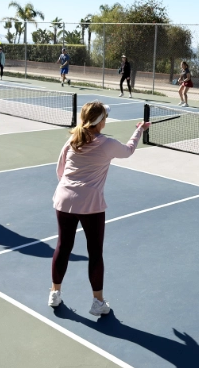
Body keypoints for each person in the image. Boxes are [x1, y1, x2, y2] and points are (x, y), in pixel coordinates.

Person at [49, 101, 150, 316]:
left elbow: (60, 170)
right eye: (105, 117)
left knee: (63, 247)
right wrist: (139, 130)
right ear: (101, 121)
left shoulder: (72, 140)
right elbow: (129, 150)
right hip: (91, 203)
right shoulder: (108, 144)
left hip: (64, 199)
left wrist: (70, 191)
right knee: (95, 252)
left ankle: (54, 293)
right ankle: (98, 302)